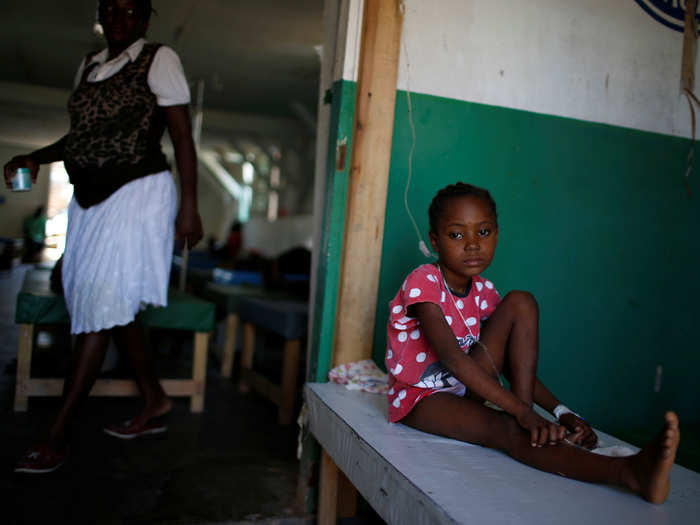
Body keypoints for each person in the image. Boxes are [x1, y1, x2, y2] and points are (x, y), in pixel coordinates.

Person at [385, 182, 680, 504]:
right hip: (423, 399)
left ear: (497, 234)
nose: (472, 245)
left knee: (521, 301)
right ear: (435, 240)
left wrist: (560, 411)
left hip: (469, 387)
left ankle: (522, 411)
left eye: (483, 232)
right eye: (457, 235)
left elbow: (512, 364)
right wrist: (521, 416)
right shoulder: (424, 281)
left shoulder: (484, 292)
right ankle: (629, 473)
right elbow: (455, 360)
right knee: (505, 429)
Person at [4, 0, 203, 473]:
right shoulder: (89, 65)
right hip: (88, 197)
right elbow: (81, 138)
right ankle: (154, 400)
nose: (119, 16)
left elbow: (180, 137)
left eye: (130, 9)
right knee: (105, 299)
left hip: (137, 192)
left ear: (145, 16)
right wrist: (35, 156)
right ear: (100, 13)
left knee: (99, 299)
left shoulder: (159, 59)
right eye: (110, 7)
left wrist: (190, 207)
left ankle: (57, 434)